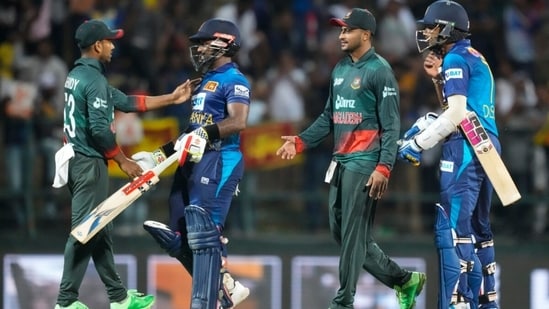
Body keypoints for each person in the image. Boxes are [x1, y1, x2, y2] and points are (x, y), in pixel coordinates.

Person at [275, 8, 426, 309]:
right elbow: (329, 116)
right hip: (341, 160)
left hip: (366, 160)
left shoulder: (380, 70)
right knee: (341, 232)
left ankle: (343, 301)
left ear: (366, 34)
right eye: (340, 30)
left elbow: (392, 124)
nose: (341, 35)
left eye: (348, 30)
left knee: (353, 232)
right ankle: (403, 279)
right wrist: (302, 140)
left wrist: (384, 166)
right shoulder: (340, 69)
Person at [54, 19, 199, 309]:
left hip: (76, 161)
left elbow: (126, 101)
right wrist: (122, 161)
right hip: (88, 163)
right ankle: (66, 301)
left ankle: (119, 297)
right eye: (109, 41)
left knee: (99, 227)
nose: (113, 45)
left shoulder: (79, 75)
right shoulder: (92, 80)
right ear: (97, 45)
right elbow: (98, 129)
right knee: (86, 228)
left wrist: (172, 98)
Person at [132, 18, 251, 309]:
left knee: (204, 235)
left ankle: (206, 303)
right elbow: (191, 129)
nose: (197, 48)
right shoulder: (203, 84)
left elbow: (238, 122)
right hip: (191, 163)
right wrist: (157, 157)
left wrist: (205, 134)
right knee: (178, 237)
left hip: (219, 160)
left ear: (224, 43)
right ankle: (226, 287)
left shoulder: (235, 80)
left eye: (203, 42)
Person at [397, 1, 500, 308]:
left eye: (431, 26)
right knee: (480, 228)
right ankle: (486, 300)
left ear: (446, 28)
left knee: (452, 228)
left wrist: (418, 144)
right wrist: (436, 78)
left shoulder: (455, 56)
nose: (426, 32)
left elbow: (455, 114)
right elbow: (455, 106)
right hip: (487, 143)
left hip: (466, 145)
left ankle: (457, 301)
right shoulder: (472, 55)